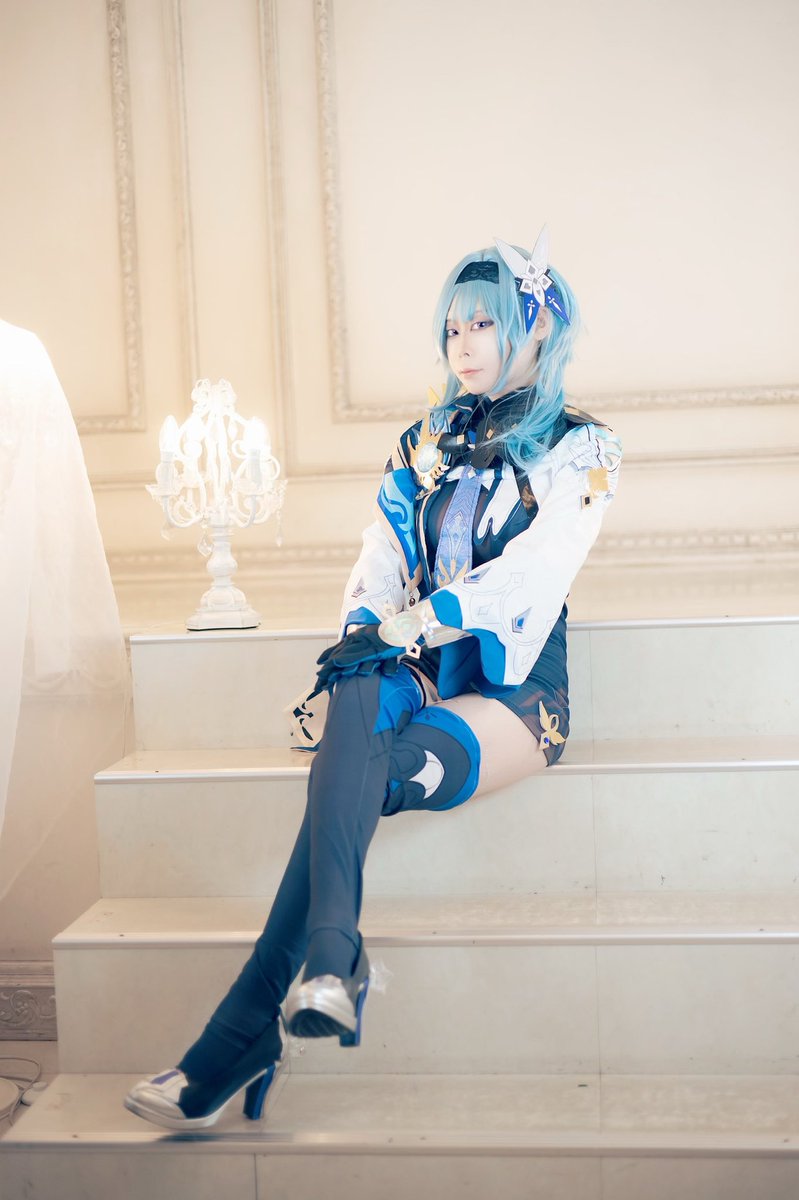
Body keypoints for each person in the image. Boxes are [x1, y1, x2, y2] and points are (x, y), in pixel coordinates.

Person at [124, 226, 622, 1131]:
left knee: (353, 768)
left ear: (538, 327)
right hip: (411, 660)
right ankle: (326, 963)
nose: (462, 345)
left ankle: (253, 1023)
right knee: (358, 680)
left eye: (483, 324)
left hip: (513, 692)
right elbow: (381, 557)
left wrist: (410, 624)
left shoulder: (581, 448)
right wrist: (370, 629)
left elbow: (534, 575)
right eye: (452, 329)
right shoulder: (421, 441)